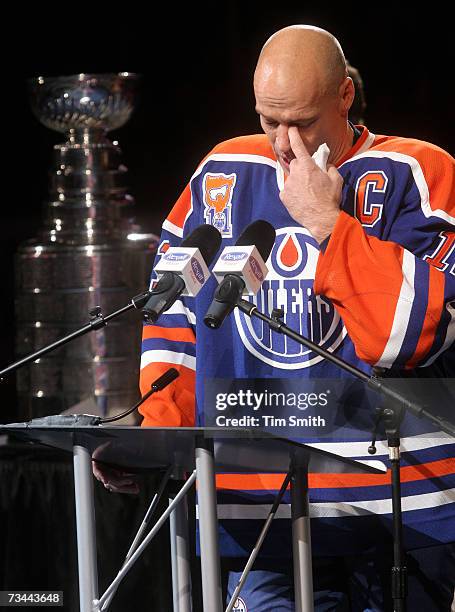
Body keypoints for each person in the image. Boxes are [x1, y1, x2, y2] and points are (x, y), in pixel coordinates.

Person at [95, 25, 455, 611]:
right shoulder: (223, 170)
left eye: (304, 121)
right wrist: (154, 430)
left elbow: (411, 333)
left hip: (400, 512)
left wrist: (328, 225)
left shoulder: (419, 173)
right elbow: (179, 320)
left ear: (344, 96)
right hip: (255, 511)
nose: (284, 142)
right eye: (268, 120)